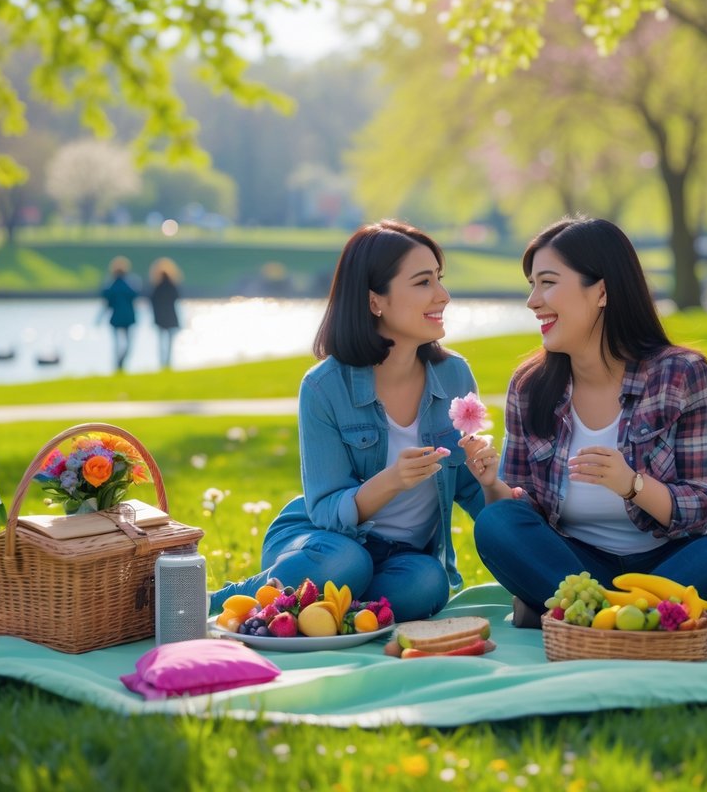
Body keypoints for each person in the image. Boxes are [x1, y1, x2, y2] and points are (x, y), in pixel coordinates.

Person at [469, 216, 707, 638]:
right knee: (496, 523)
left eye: (548, 283)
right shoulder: (530, 386)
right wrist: (491, 486)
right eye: (531, 286)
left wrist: (633, 485)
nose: (533, 301)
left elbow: (706, 504)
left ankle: (577, 618)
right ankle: (675, 621)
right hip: (577, 565)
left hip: (672, 561)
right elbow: (525, 515)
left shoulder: (682, 374)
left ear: (602, 291)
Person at [209, 221, 497, 623]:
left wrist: (493, 483)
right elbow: (326, 508)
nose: (442, 295)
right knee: (346, 565)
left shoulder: (454, 376)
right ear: (375, 301)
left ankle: (330, 613)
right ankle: (229, 598)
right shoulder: (325, 387)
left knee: (428, 584)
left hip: (404, 559)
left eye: (439, 279)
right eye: (423, 282)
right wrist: (393, 479)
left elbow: (471, 490)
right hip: (323, 542)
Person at [99, 256, 140, 371]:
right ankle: (121, 362)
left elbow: (106, 302)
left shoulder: (111, 286)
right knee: (128, 343)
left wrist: (99, 318)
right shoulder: (130, 285)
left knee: (117, 344)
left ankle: (118, 363)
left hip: (116, 318)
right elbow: (135, 296)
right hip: (128, 318)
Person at [148, 257, 182, 369]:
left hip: (160, 317)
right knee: (169, 341)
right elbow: (177, 298)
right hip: (171, 316)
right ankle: (168, 362)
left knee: (161, 340)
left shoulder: (157, 287)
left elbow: (152, 302)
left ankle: (163, 362)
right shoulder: (172, 286)